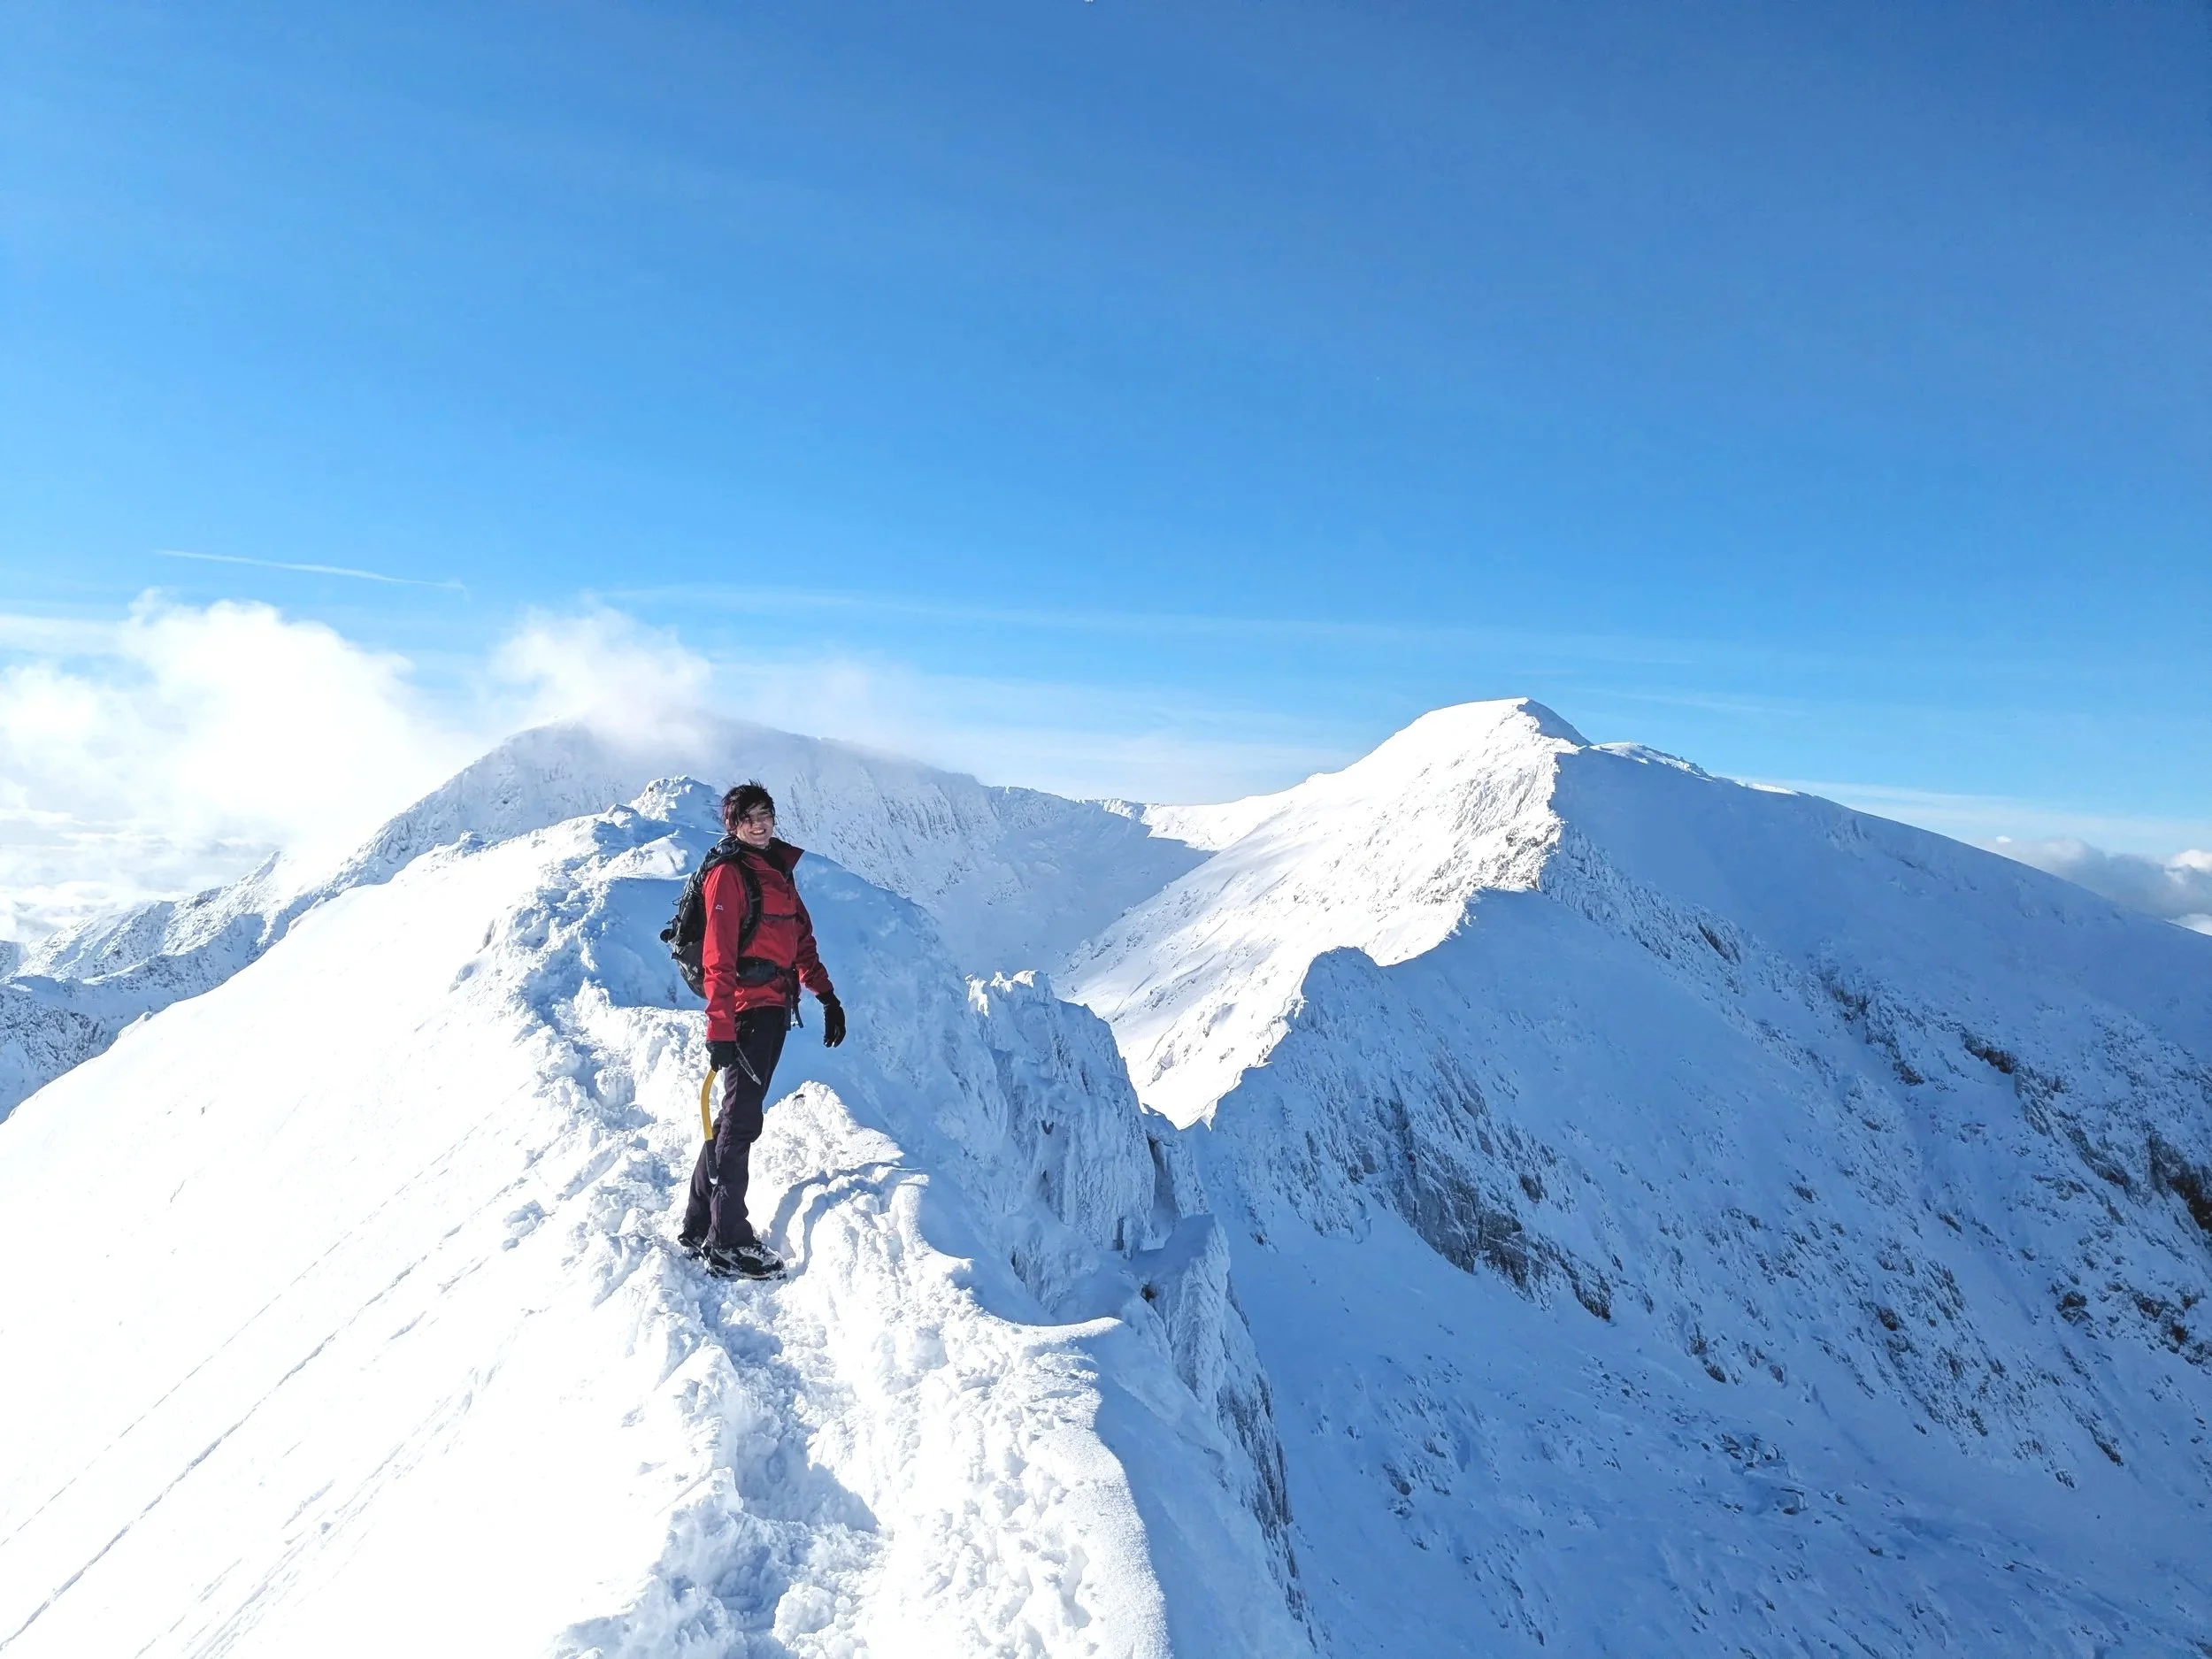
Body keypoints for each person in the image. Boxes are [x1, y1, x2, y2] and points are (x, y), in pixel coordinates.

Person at [679, 780, 847, 1279]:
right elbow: (718, 958)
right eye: (749, 816)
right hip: (748, 1009)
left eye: (766, 813)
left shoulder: (776, 871)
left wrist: (827, 995)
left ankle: (697, 1224)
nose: (761, 823)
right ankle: (726, 1238)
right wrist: (721, 1028)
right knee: (741, 1121)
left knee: (735, 1116)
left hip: (775, 1006)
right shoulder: (729, 875)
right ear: (732, 824)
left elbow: (800, 942)